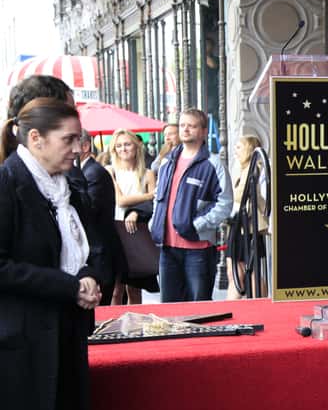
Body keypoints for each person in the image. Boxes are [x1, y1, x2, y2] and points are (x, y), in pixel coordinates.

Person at [0, 98, 126, 410]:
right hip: (20, 341)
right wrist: (64, 285)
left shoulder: (69, 182)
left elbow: (92, 242)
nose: (79, 148)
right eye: (69, 139)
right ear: (35, 139)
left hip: (67, 331)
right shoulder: (7, 184)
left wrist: (92, 275)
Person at [150, 108, 232, 302]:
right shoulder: (167, 163)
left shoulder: (213, 164)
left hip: (199, 249)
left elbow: (225, 203)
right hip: (167, 248)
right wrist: (155, 221)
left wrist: (197, 225)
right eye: (182, 125)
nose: (185, 130)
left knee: (198, 308)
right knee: (169, 310)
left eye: (192, 126)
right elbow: (157, 197)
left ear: (203, 131)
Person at [108, 128, 158, 304]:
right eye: (119, 146)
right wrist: (147, 196)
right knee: (116, 290)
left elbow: (155, 204)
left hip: (137, 231)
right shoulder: (110, 171)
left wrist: (137, 210)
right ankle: (113, 327)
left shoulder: (148, 173)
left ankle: (135, 327)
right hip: (115, 230)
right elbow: (120, 200)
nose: (123, 149)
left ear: (136, 146)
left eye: (127, 144)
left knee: (135, 290)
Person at [78, 129, 121, 305]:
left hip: (99, 256)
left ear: (85, 146)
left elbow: (89, 211)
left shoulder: (93, 173)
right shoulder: (86, 171)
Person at [226, 135, 268, 299]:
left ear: (249, 149)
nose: (235, 150)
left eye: (239, 147)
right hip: (244, 227)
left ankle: (234, 305)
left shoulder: (252, 170)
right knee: (245, 271)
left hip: (245, 227)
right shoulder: (248, 169)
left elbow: (240, 196)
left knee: (240, 272)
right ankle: (258, 302)